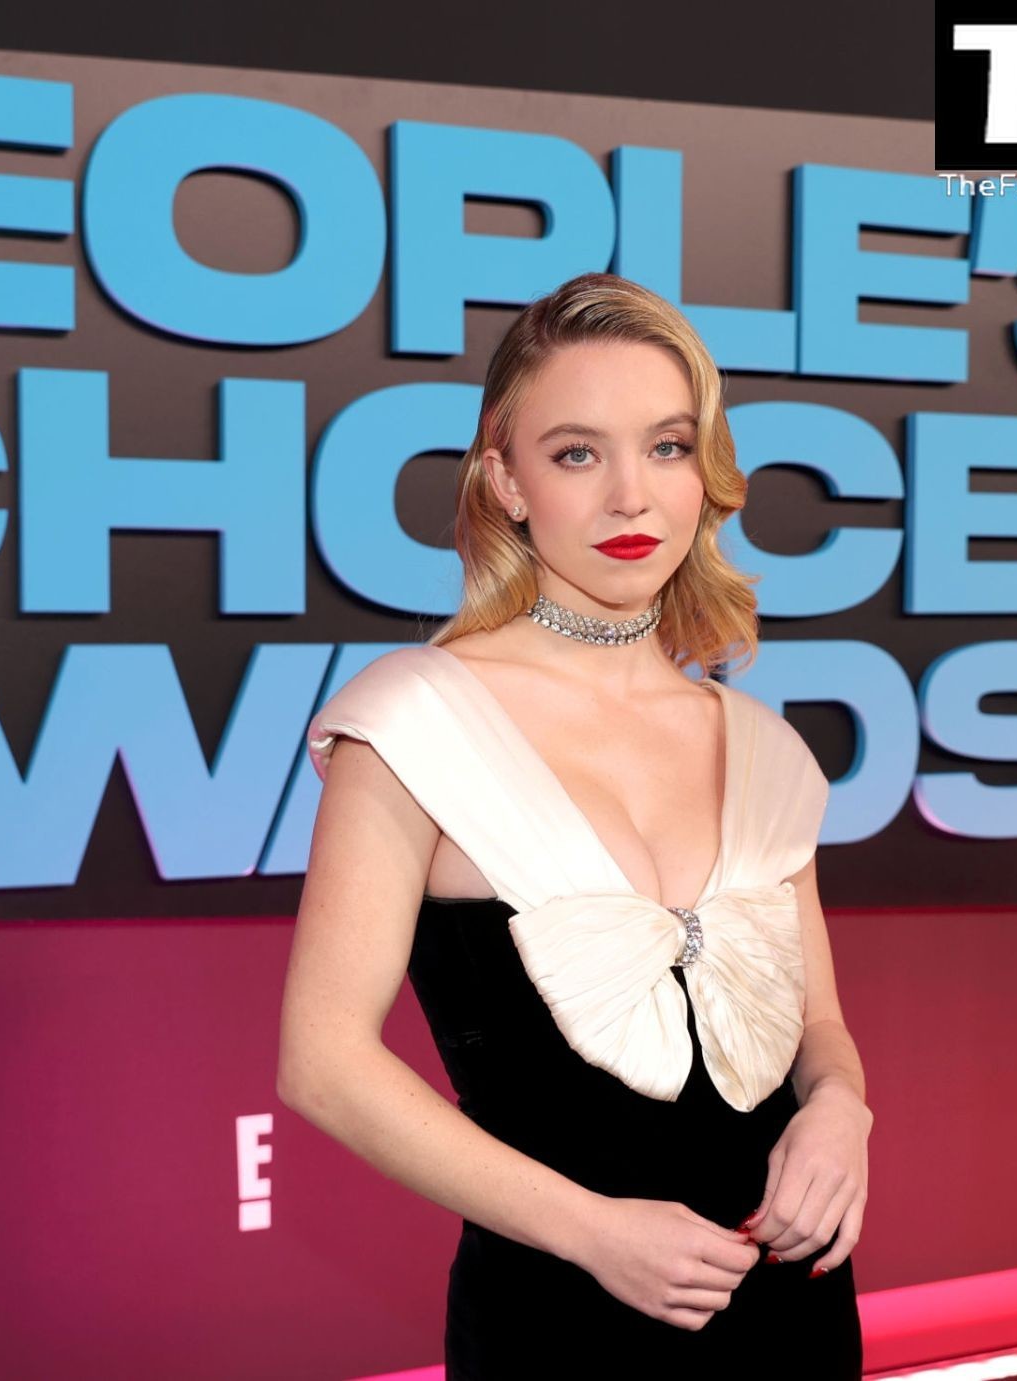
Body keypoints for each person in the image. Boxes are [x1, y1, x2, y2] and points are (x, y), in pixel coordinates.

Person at [275, 271, 869, 1376]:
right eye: (578, 453)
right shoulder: (412, 720)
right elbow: (324, 1061)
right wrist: (591, 1230)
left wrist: (842, 1110)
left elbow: (817, 1023)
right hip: (556, 1317)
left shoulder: (762, 746)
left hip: (791, 1305)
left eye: (668, 446)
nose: (631, 497)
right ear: (506, 479)